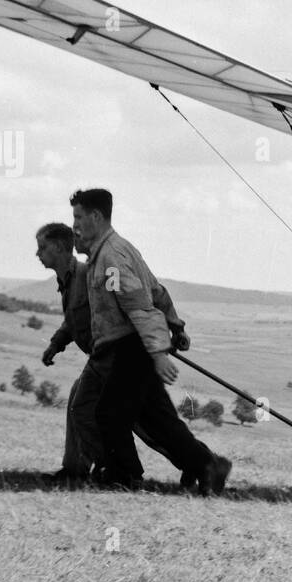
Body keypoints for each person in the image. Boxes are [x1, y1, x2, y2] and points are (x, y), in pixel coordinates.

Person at [69, 188, 231, 495]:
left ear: (95, 216)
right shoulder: (113, 251)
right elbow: (155, 291)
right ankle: (209, 465)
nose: (74, 224)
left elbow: (138, 305)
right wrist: (175, 326)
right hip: (126, 348)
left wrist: (158, 351)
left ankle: (125, 476)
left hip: (130, 348)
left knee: (110, 414)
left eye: (78, 217)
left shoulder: (112, 258)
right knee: (158, 421)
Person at [36, 222, 189, 486]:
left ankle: (191, 463)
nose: (37, 254)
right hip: (103, 361)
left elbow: (143, 298)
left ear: (60, 248)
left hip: (120, 359)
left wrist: (172, 330)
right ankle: (81, 468)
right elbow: (74, 320)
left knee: (144, 422)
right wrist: (56, 344)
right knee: (85, 408)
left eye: (42, 247)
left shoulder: (86, 276)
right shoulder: (67, 282)